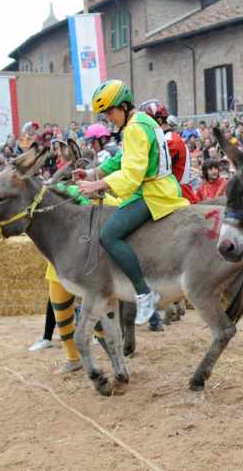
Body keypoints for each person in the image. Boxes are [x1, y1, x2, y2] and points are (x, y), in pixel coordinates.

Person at [75, 79, 189, 325]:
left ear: (124, 105)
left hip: (153, 192)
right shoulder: (141, 121)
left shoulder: (135, 127)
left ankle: (144, 292)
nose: (108, 118)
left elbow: (132, 175)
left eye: (110, 111)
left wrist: (95, 186)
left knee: (108, 236)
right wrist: (94, 173)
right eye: (104, 113)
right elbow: (122, 161)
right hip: (158, 187)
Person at [139, 99, 197, 203]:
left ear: (159, 121)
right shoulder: (164, 138)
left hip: (179, 195)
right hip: (170, 192)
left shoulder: (170, 140)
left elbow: (148, 167)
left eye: (145, 122)